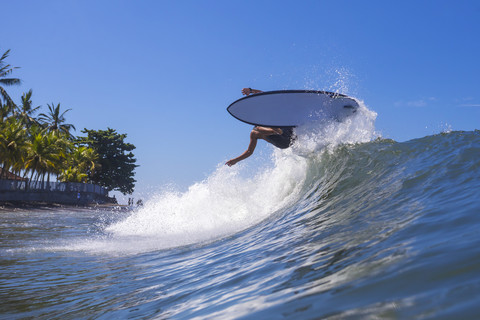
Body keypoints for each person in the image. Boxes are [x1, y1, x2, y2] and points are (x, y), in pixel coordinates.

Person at [225, 88, 295, 167]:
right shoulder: (254, 132)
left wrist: (251, 90)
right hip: (283, 142)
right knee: (258, 129)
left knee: (276, 115)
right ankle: (276, 131)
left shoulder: (271, 114)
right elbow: (249, 151)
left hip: (291, 135)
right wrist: (235, 160)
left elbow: (264, 97)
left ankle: (277, 130)